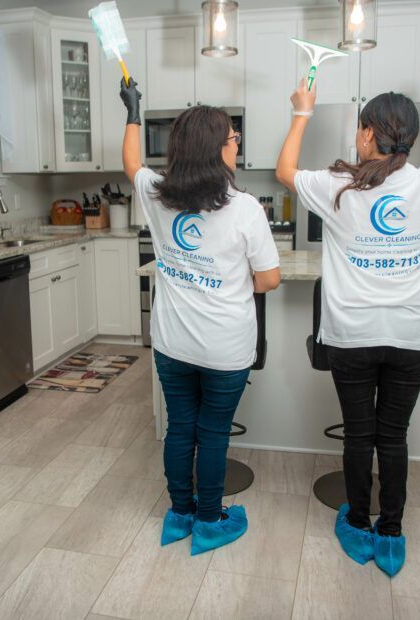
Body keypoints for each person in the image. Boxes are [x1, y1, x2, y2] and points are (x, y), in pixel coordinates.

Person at [276, 71, 420, 576]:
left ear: (367, 134)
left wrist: (302, 110)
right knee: (392, 437)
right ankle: (392, 535)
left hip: (350, 337)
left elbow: (285, 169)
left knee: (360, 436)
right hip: (411, 338)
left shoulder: (338, 186)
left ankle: (358, 526)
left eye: (361, 129)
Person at [120, 78, 281, 555]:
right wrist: (230, 282)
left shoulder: (155, 193)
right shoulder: (246, 208)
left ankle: (179, 516)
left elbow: (132, 163)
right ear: (217, 149)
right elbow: (269, 279)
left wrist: (133, 109)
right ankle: (210, 522)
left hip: (171, 344)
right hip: (224, 348)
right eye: (233, 137)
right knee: (212, 436)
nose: (237, 144)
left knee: (179, 428)